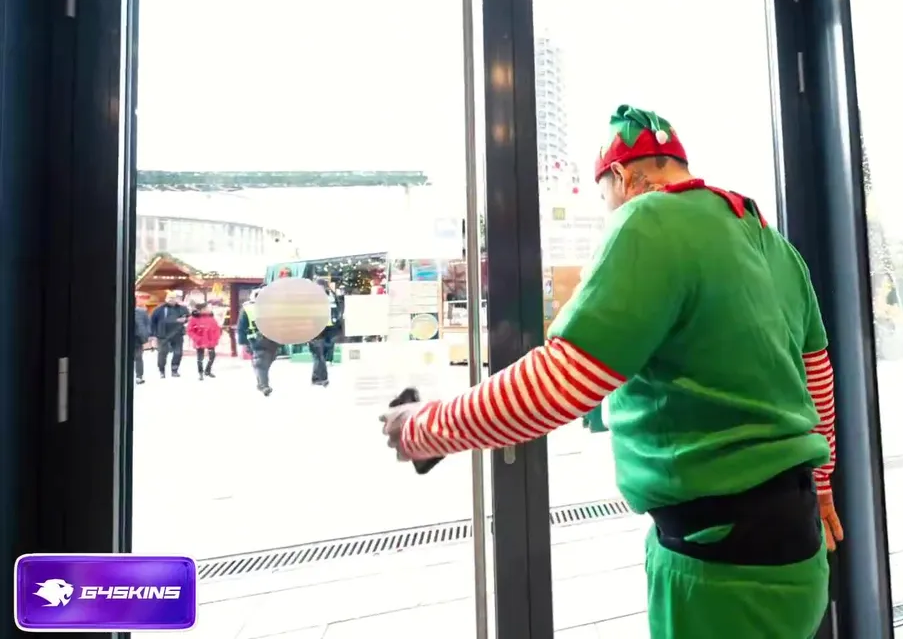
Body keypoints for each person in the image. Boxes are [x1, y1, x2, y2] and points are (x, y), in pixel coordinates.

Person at [380, 105, 843, 639]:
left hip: (722, 570)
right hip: (797, 548)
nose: (610, 211)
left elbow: (561, 381)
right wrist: (822, 487)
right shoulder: (771, 242)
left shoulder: (648, 221)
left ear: (621, 177)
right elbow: (817, 380)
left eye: (605, 197)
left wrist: (422, 429)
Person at [236, 288, 279, 396]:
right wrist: (243, 343)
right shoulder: (249, 309)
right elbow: (241, 327)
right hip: (259, 341)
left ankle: (261, 383)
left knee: (264, 362)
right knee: (261, 363)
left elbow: (241, 327)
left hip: (266, 341)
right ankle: (264, 386)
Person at [308, 278, 341, 387]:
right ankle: (321, 378)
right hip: (316, 329)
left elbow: (338, 308)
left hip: (328, 328)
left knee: (322, 354)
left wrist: (337, 320)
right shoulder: (312, 299)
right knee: (319, 354)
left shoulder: (330, 296)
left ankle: (317, 378)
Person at [150, 291, 190, 378]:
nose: (172, 300)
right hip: (163, 334)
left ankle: (174, 370)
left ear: (177, 299)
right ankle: (162, 371)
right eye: (170, 298)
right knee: (162, 353)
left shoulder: (182, 308)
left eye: (173, 298)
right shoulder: (159, 309)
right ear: (166, 299)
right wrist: (152, 335)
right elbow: (153, 322)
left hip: (177, 334)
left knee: (178, 353)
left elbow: (188, 317)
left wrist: (185, 320)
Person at [186, 303, 222, 380]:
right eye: (207, 308)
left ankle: (207, 370)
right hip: (200, 341)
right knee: (200, 358)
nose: (209, 309)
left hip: (210, 340)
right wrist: (197, 338)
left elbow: (217, 329)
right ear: (201, 310)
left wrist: (216, 338)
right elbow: (189, 330)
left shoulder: (211, 318)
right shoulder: (194, 319)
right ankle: (200, 373)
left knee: (212, 356)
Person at [132, 293, 152, 385]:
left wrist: (146, 336)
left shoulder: (141, 312)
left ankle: (139, 376)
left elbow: (147, 324)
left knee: (138, 357)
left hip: (137, 338)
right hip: (126, 338)